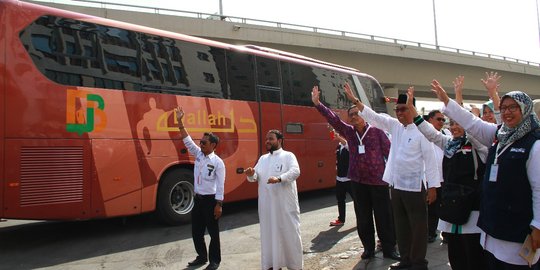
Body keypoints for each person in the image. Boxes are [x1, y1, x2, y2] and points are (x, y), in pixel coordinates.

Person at [431, 80, 540, 269]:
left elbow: (539, 189)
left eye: (513, 107)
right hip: (492, 227)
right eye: (503, 107)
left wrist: (538, 226)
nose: (506, 112)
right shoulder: (499, 134)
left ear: (526, 109)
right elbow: (472, 123)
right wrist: (448, 101)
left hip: (517, 230)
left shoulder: (534, 144)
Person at [343, 83, 440, 270]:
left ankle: (419, 263)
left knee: (418, 227)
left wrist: (433, 187)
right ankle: (405, 260)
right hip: (396, 185)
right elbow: (373, 116)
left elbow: (431, 160)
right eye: (397, 109)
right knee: (401, 225)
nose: (399, 113)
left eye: (403, 109)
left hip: (414, 187)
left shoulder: (423, 129)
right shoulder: (395, 127)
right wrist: (355, 101)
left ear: (412, 108)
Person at [312, 85, 399, 261]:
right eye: (350, 115)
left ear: (363, 115)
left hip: (379, 181)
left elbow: (390, 154)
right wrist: (317, 104)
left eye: (355, 114)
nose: (352, 117)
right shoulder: (349, 133)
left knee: (384, 217)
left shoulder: (377, 131)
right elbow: (334, 119)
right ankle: (368, 248)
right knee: (363, 218)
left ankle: (389, 249)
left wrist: (394, 178)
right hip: (358, 181)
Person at [407, 86, 488, 270]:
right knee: (456, 256)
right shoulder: (448, 144)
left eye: (457, 123)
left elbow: (470, 125)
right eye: (451, 124)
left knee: (473, 257)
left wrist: (454, 99)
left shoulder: (480, 146)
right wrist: (412, 108)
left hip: (473, 212)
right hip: (452, 209)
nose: (454, 127)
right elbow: (428, 132)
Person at [244, 130, 303, 270]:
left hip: (285, 207)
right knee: (269, 236)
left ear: (279, 140)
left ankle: (294, 266)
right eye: (266, 139)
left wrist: (279, 178)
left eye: (271, 138)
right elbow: (255, 177)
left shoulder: (288, 156)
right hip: (267, 207)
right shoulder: (263, 159)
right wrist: (251, 174)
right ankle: (272, 265)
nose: (267, 141)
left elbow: (296, 171)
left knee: (290, 235)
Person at [176, 107, 225, 270]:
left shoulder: (218, 162)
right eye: (200, 142)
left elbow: (221, 184)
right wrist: (180, 122)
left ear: (213, 144)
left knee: (213, 233)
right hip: (198, 199)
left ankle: (215, 260)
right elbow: (187, 140)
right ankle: (201, 257)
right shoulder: (198, 154)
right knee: (196, 231)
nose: (200, 144)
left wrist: (219, 204)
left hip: (211, 201)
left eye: (204, 142)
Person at [425, 109, 447, 243]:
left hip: (444, 179)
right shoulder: (424, 135)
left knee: (444, 207)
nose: (442, 122)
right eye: (439, 119)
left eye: (443, 120)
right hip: (430, 180)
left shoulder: (446, 135)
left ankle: (446, 232)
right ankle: (430, 232)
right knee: (430, 209)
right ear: (430, 120)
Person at [329, 131, 354, 227]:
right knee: (340, 200)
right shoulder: (339, 147)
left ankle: (361, 218)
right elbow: (337, 161)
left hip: (350, 179)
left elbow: (347, 145)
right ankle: (341, 219)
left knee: (357, 200)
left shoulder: (350, 145)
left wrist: (339, 137)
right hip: (340, 179)